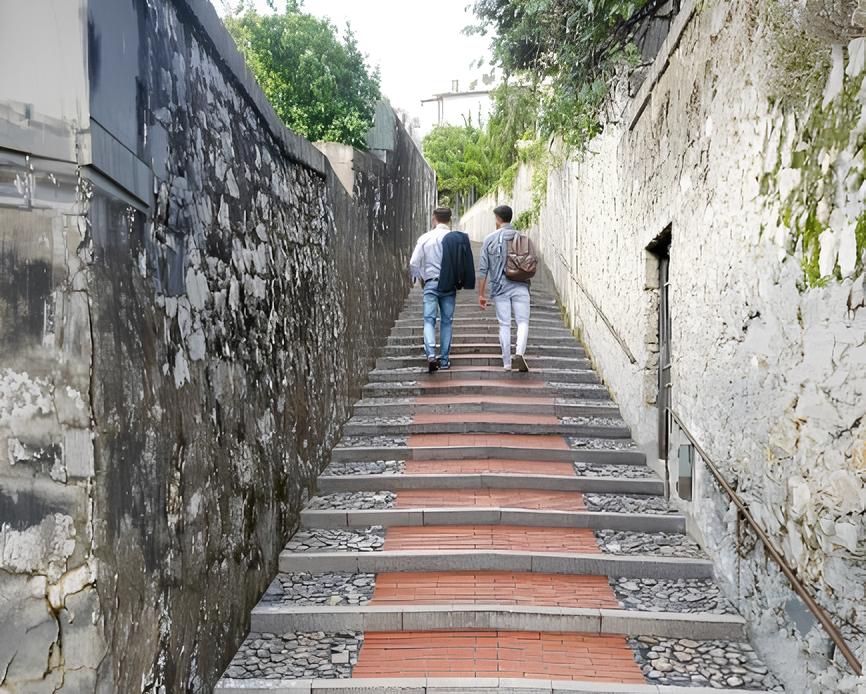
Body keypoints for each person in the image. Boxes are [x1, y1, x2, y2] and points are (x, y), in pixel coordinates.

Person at [478, 205, 530, 372]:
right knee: (522, 322)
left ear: (498, 219)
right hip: (521, 285)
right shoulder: (521, 237)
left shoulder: (489, 239)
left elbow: (483, 269)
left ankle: (507, 362)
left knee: (505, 325)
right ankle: (519, 352)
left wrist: (481, 294)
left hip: (500, 288)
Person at [409, 207, 456, 373]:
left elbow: (414, 262)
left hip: (430, 283)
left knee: (429, 320)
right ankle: (444, 361)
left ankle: (430, 354)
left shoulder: (425, 238)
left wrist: (421, 278)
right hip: (449, 284)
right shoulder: (454, 239)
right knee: (446, 321)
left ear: (434, 218)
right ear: (450, 220)